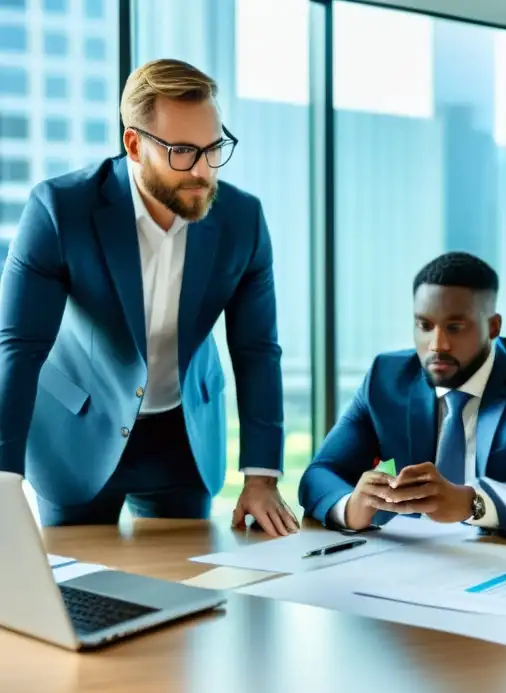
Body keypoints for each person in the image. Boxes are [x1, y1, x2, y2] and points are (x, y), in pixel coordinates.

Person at [0, 59, 297, 536]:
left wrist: (261, 477)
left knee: (188, 597)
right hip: (77, 430)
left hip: (184, 438)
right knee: (76, 595)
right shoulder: (59, 210)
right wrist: (4, 480)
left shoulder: (242, 220)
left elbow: (258, 351)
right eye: (182, 151)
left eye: (213, 148)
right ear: (134, 145)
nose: (202, 171)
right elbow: (18, 346)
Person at [299, 251, 506, 535]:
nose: (437, 344)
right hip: (404, 560)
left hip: (503, 563)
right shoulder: (386, 378)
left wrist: (470, 502)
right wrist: (352, 506)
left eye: (455, 327)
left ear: (493, 326)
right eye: (424, 326)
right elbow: (320, 473)